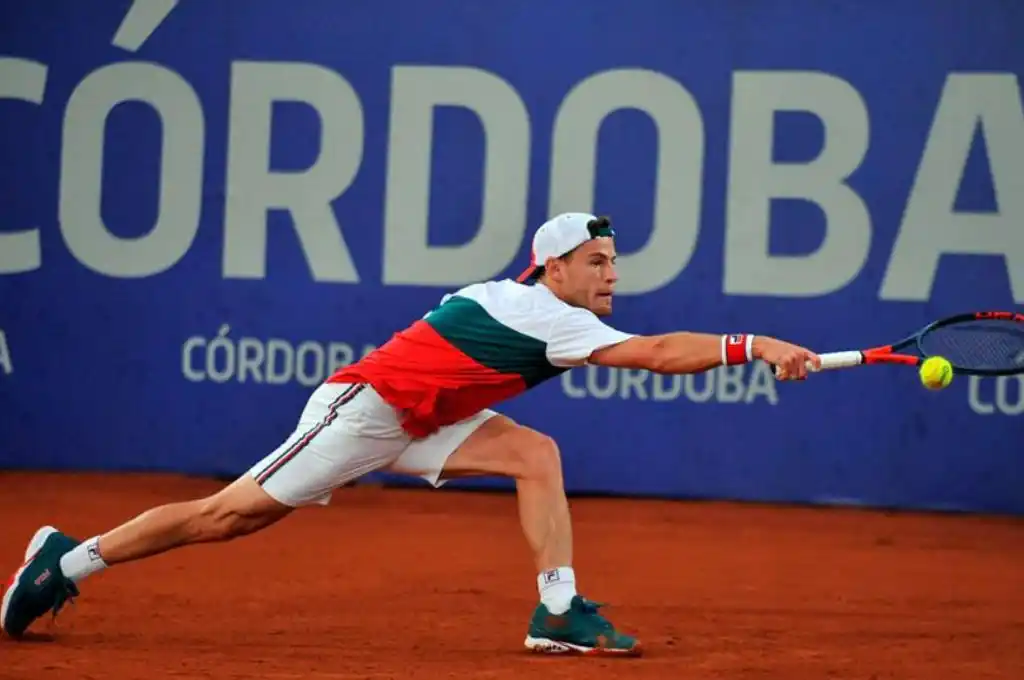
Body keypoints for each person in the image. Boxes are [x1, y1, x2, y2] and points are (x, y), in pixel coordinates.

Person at [1, 213, 820, 655]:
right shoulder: (541, 312)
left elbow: (632, 346)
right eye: (597, 262)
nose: (613, 275)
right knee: (231, 516)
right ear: (554, 270)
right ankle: (67, 558)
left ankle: (556, 612)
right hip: (362, 410)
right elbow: (652, 354)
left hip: (425, 418)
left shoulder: (536, 308)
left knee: (535, 453)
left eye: (613, 261)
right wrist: (756, 346)